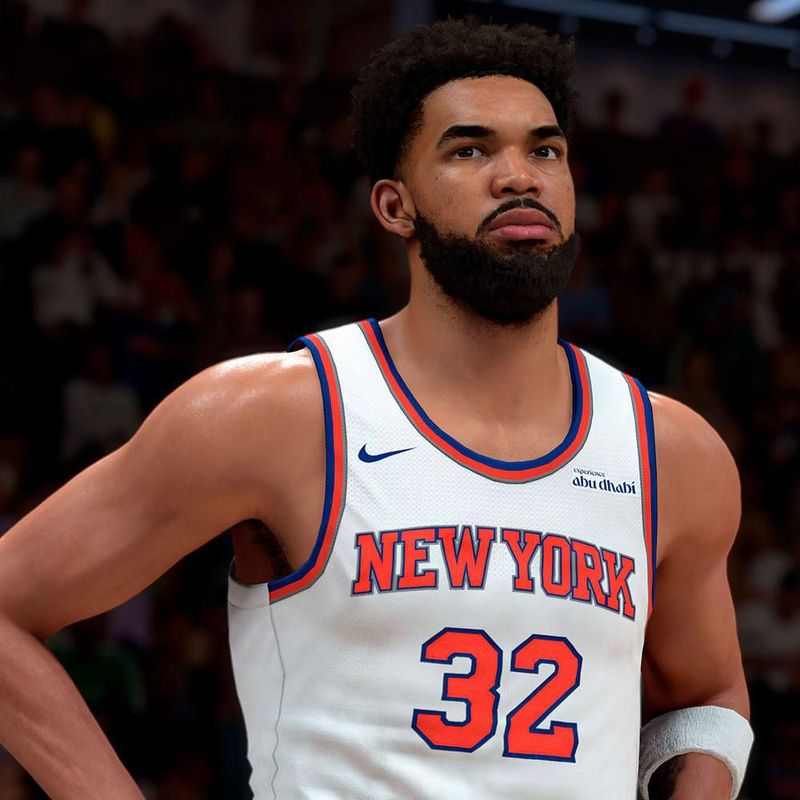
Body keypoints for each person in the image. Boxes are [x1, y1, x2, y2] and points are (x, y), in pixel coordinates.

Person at [0, 18, 751, 800]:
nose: (518, 176)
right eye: (470, 151)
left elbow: (708, 699)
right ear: (396, 206)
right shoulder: (275, 414)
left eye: (544, 151)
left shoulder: (671, 453)